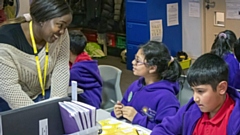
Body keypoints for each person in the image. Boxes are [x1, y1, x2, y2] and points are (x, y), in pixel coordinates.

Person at [0, 0, 72, 112]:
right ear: (42, 20)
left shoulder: (60, 35)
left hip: (42, 94)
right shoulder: (5, 40)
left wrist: (57, 105)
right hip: (8, 101)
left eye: (65, 26)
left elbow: (61, 69)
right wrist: (36, 115)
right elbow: (9, 88)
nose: (62, 31)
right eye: (60, 25)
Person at [151, 53, 240, 135]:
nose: (195, 98)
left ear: (222, 88)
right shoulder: (192, 109)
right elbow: (164, 129)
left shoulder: (236, 120)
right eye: (193, 91)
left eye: (200, 91)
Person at [111, 41, 182, 130]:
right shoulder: (136, 85)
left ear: (152, 68)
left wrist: (137, 118)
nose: (133, 62)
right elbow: (124, 105)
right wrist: (118, 111)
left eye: (138, 61)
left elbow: (167, 130)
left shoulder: (166, 97)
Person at [69, 31, 102, 109]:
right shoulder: (86, 60)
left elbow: (61, 82)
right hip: (94, 100)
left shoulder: (77, 71)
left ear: (69, 50)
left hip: (88, 106)